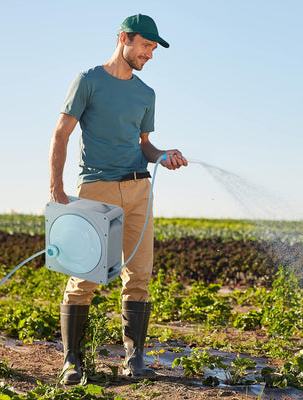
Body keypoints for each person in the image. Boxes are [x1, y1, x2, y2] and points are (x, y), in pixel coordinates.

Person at [49, 13, 188, 384]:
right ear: (124, 38)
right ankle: (72, 362)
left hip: (140, 190)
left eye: (154, 49)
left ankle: (134, 359)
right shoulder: (88, 81)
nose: (150, 54)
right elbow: (61, 134)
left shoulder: (146, 94)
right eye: (146, 45)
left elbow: (144, 146)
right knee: (84, 276)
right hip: (97, 189)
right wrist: (56, 188)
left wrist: (163, 156)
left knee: (139, 275)